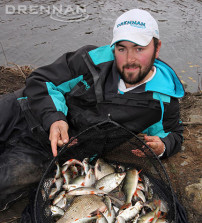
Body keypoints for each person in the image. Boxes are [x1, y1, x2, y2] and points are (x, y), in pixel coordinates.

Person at [0, 9, 184, 211]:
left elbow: (173, 134)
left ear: (157, 49)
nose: (130, 59)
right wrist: (55, 118)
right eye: (121, 49)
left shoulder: (163, 100)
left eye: (139, 48)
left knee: (6, 179)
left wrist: (163, 146)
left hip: (50, 150)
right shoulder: (91, 60)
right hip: (23, 107)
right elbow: (42, 80)